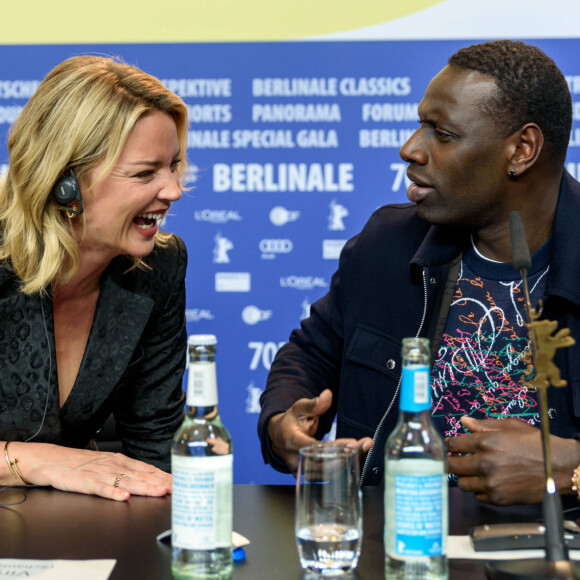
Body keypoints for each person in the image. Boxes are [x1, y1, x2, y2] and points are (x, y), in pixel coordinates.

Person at [258, 39, 580, 506]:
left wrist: (567, 470)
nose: (410, 149)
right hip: (391, 546)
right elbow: (310, 354)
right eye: (419, 126)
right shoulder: (385, 244)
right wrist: (283, 424)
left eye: (442, 134)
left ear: (521, 150)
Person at [0, 55, 190, 501]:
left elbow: (153, 448)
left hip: (69, 534)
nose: (173, 191)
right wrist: (32, 460)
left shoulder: (160, 267)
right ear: (64, 181)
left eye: (174, 166)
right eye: (145, 173)